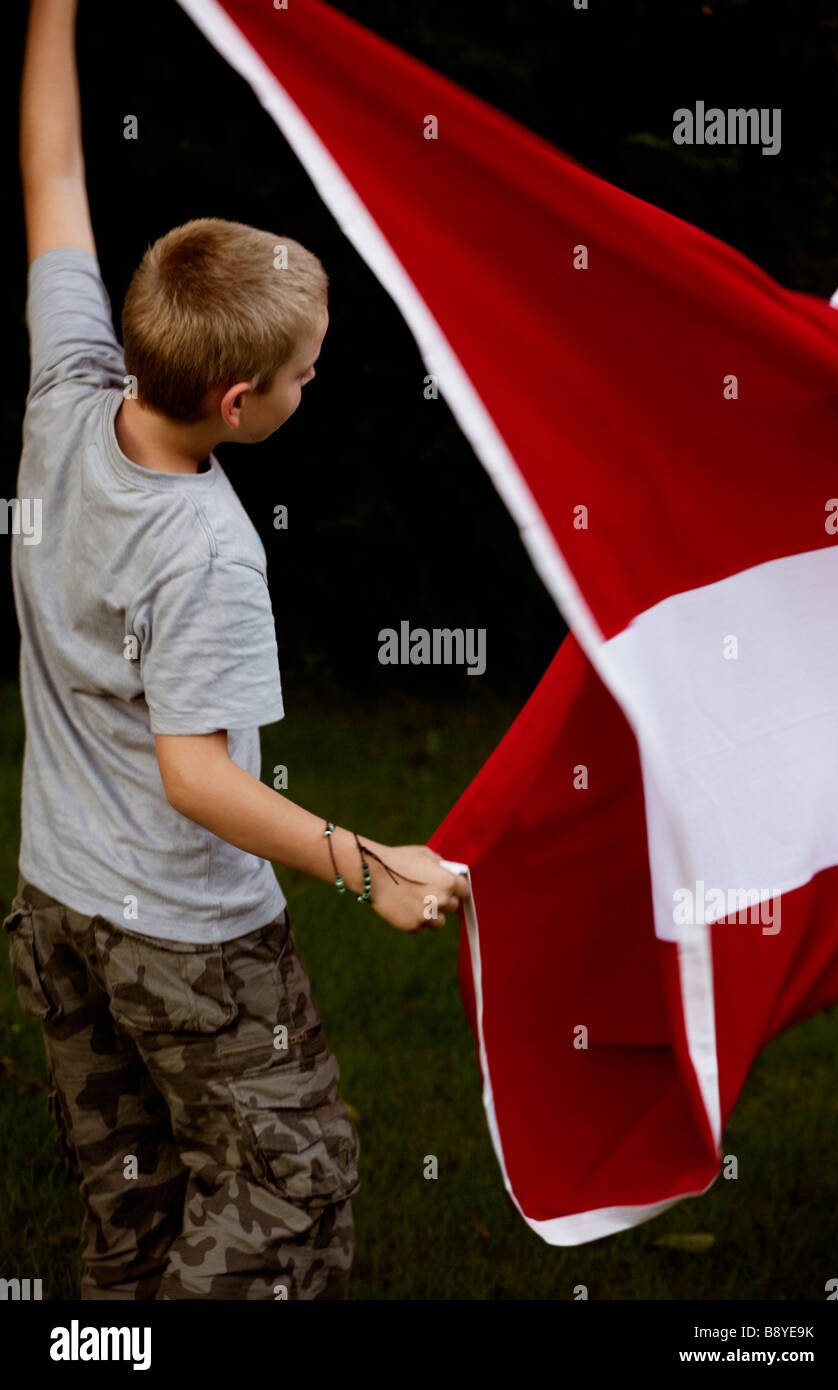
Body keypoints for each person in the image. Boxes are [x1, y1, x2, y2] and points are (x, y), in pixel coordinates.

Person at [5, 0, 469, 1300]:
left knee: (134, 1204)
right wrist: (367, 865)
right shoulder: (209, 550)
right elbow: (197, 778)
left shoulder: (68, 387)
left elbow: (52, 169)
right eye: (306, 374)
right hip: (187, 937)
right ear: (236, 399)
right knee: (291, 1193)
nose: (312, 385)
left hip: (58, 906)